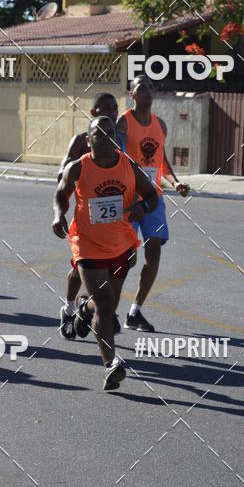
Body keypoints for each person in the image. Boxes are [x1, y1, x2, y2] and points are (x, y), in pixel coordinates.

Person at [52, 115, 158, 390]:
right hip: (86, 244)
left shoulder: (128, 166)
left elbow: (152, 194)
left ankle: (83, 310)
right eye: (98, 133)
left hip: (120, 245)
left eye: (110, 131)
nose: (106, 136)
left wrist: (143, 208)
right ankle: (111, 365)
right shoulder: (77, 168)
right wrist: (57, 216)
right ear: (88, 141)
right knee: (106, 302)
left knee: (107, 306)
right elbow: (60, 195)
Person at [117, 75, 190, 332]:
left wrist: (174, 182)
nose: (147, 91)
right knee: (122, 257)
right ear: (131, 94)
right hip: (128, 198)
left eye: (150, 87)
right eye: (141, 88)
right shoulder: (123, 123)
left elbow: (161, 161)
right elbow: (117, 159)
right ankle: (103, 305)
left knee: (155, 248)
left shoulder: (160, 125)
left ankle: (134, 311)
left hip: (153, 198)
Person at [57, 93, 125, 340]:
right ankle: (70, 307)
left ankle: (99, 306)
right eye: (104, 107)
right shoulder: (82, 141)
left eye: (114, 107)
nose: (110, 110)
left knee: (113, 267)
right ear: (93, 111)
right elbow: (63, 173)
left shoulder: (120, 140)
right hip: (86, 218)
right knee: (79, 268)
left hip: (117, 219)